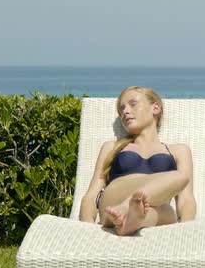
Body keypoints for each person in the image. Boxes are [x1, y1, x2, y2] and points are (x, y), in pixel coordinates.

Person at [79, 86, 196, 235]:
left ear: (155, 108)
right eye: (121, 110)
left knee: (169, 208)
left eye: (133, 104)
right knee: (178, 178)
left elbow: (186, 199)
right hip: (113, 204)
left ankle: (131, 221)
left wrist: (186, 230)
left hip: (150, 210)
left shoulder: (179, 150)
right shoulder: (112, 147)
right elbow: (92, 194)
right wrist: (87, 229)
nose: (125, 111)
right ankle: (127, 208)